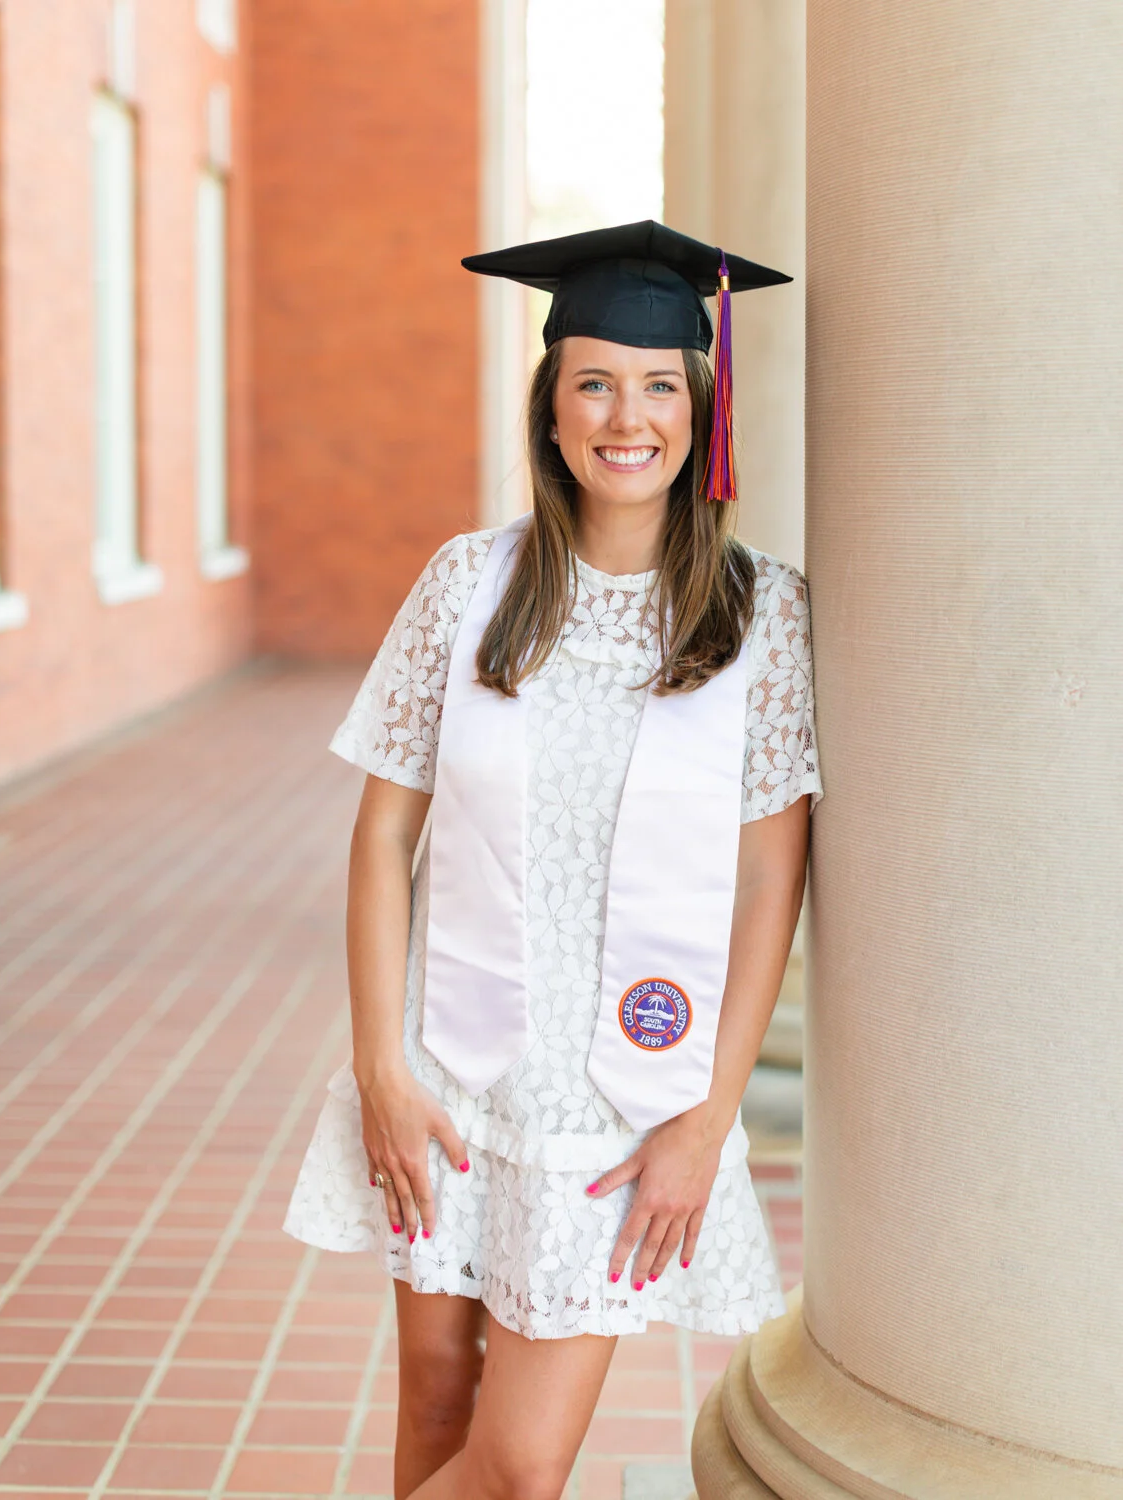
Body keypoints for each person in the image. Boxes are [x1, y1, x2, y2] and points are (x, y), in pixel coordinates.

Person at [284, 219, 824, 1500]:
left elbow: (767, 882)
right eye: (592, 380)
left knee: (519, 1465)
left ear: (699, 404)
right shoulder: (468, 585)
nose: (622, 414)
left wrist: (705, 1119)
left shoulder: (760, 618)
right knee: (433, 1400)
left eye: (654, 384)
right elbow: (383, 837)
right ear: (551, 408)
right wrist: (379, 1068)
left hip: (620, 1110)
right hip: (452, 1077)